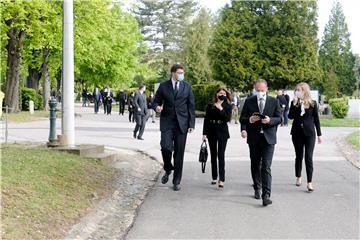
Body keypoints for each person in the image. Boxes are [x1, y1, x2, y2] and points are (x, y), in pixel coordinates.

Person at [152, 64, 195, 191]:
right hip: (167, 122)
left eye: (182, 72)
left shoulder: (187, 87)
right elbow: (155, 101)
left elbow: (191, 106)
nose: (182, 74)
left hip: (182, 124)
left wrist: (191, 124)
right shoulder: (163, 86)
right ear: (173, 73)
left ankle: (177, 181)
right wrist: (157, 107)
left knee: (179, 153)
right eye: (179, 72)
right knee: (165, 147)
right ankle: (168, 168)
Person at [240, 79, 281, 206]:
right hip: (254, 138)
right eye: (257, 90)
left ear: (267, 89)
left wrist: (270, 120)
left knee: (266, 166)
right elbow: (242, 118)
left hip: (269, 138)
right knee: (255, 163)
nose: (260, 93)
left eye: (262, 90)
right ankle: (257, 187)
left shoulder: (274, 101)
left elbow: (279, 118)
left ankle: (266, 195)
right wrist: (250, 120)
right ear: (254, 89)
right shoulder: (249, 101)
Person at [288, 82, 322, 192]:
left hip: (310, 134)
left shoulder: (313, 103)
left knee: (308, 157)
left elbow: (316, 120)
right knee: (299, 156)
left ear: (305, 91)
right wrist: (293, 104)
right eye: (296, 90)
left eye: (300, 90)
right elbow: (290, 117)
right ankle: (298, 176)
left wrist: (319, 134)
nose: (297, 92)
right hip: (297, 133)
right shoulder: (294, 103)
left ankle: (309, 182)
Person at [202, 88, 232, 188]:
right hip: (211, 131)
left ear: (226, 95)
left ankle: (222, 179)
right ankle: (214, 177)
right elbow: (206, 119)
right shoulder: (210, 105)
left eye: (223, 93)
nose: (222, 94)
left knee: (221, 155)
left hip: (222, 131)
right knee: (213, 154)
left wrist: (221, 109)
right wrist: (204, 133)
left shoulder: (228, 106)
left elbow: (227, 119)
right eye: (220, 93)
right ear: (217, 94)